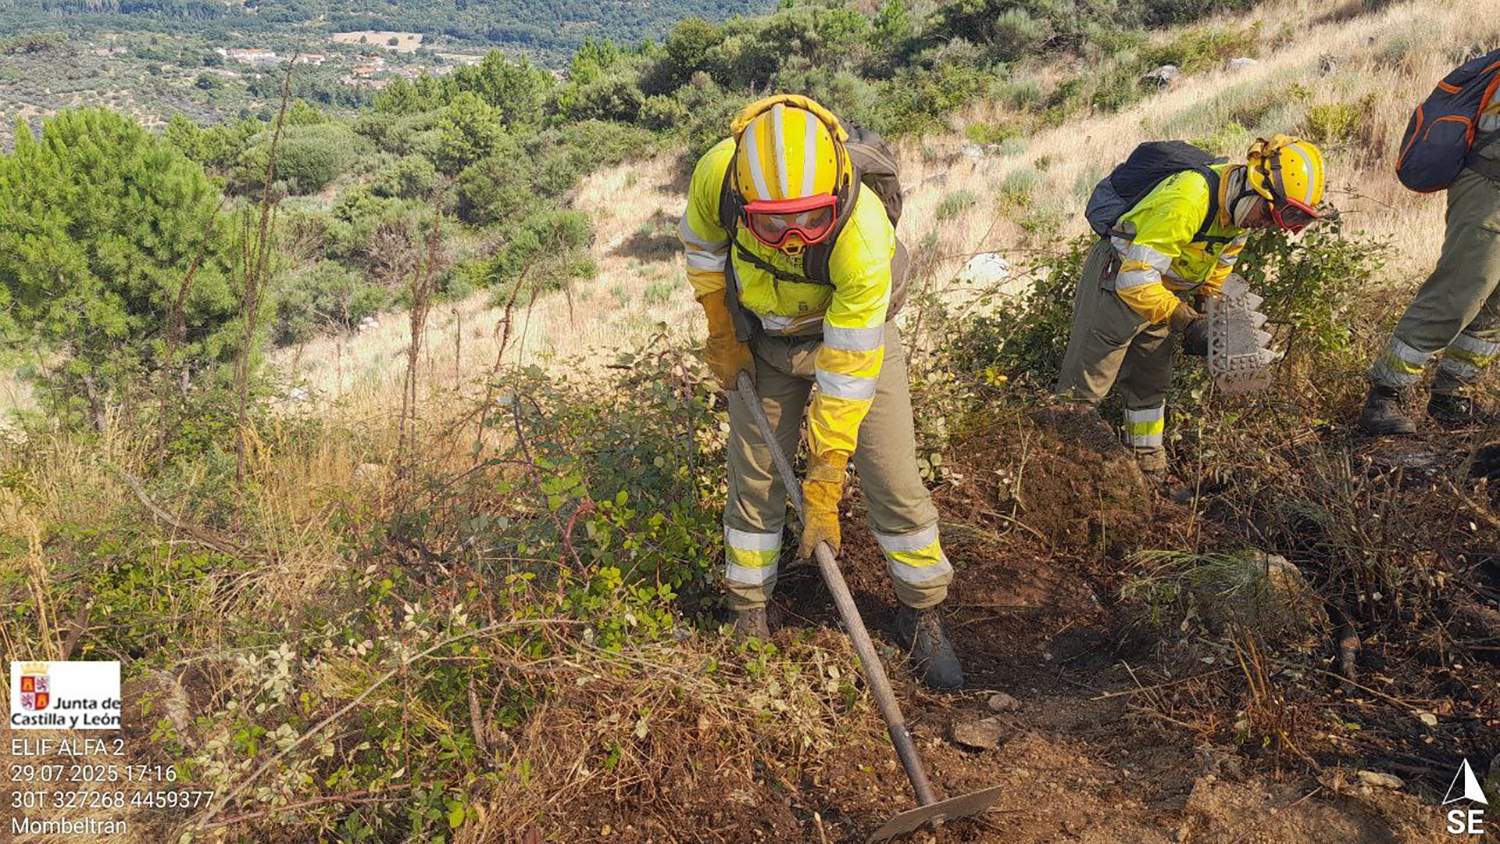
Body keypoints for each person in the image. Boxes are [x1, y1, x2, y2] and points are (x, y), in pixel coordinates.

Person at [677, 94, 962, 690]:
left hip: (855, 336)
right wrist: (721, 330)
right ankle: (747, 611)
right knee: (754, 477)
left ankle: (921, 611)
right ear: (743, 199)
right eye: (771, 224)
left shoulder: (862, 235)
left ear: (835, 196)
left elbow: (850, 368)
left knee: (892, 478)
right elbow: (703, 248)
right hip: (764, 339)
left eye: (810, 219)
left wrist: (827, 470)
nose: (793, 239)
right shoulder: (717, 176)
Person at [1055, 135, 1327, 476]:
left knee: (1150, 384)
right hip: (1118, 281)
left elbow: (1220, 265)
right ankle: (1063, 468)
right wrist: (1187, 321)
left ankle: (1147, 467)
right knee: (1083, 389)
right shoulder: (1189, 197)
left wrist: (1208, 309)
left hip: (1162, 294)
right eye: (1268, 215)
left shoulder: (1239, 216)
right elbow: (1134, 278)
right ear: (1255, 187)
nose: (1267, 225)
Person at [1360, 97, 1500, 433]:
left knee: (1494, 308)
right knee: (1459, 293)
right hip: (1490, 188)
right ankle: (1384, 396)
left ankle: (1452, 397)